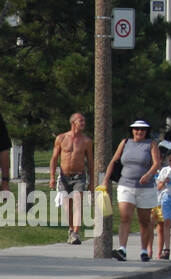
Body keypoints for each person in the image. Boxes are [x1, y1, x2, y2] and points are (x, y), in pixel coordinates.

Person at [102, 120, 162, 262]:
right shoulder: (125, 143)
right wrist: (105, 180)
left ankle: (143, 250)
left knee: (144, 221)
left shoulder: (151, 144)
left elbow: (157, 163)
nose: (139, 132)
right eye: (136, 129)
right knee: (125, 217)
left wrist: (148, 175)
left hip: (145, 188)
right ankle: (122, 249)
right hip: (125, 185)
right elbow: (114, 161)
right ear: (132, 130)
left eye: (142, 130)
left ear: (146, 131)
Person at [50, 112, 94, 245]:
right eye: (81, 121)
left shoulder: (86, 141)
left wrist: (92, 181)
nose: (83, 123)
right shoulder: (61, 138)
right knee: (66, 205)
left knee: (77, 203)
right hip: (64, 176)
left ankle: (76, 233)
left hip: (79, 176)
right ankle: (71, 230)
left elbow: (90, 162)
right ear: (73, 122)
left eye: (84, 121)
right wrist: (52, 177)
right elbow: (54, 158)